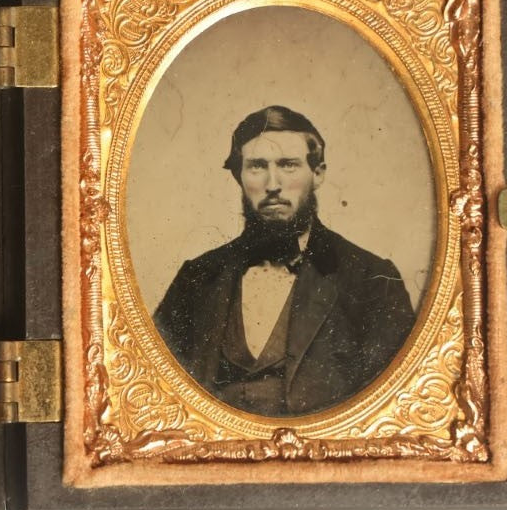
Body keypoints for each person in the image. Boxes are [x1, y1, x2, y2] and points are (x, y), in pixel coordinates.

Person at [152, 105, 416, 417]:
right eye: (257, 167)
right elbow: (157, 391)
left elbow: (394, 407)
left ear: (317, 174)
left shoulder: (371, 280)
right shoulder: (196, 277)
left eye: (288, 165)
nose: (272, 183)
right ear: (238, 176)